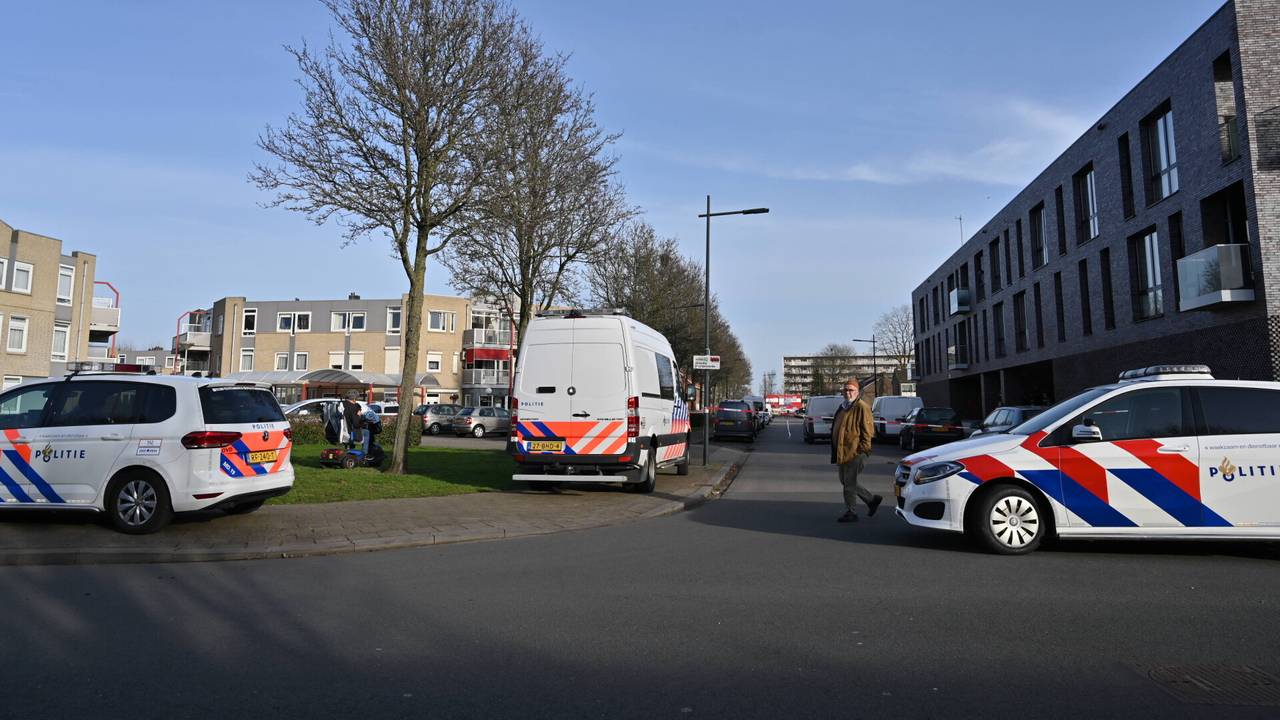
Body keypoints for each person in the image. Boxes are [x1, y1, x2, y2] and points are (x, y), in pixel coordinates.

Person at [830, 378, 883, 523]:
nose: (848, 393)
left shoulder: (861, 407)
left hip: (856, 452)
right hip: (843, 451)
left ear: (857, 392)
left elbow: (868, 431)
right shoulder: (843, 407)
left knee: (849, 482)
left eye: (851, 390)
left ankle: (850, 511)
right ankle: (871, 500)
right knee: (845, 480)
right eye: (846, 390)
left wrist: (863, 450)